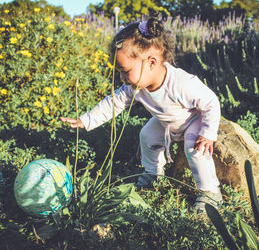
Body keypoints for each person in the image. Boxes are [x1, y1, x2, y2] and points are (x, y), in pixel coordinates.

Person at [60, 16, 222, 213]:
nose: (122, 78)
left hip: (192, 120)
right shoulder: (135, 87)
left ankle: (210, 192)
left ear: (152, 62)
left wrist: (207, 133)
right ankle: (153, 174)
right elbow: (114, 102)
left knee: (195, 149)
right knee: (146, 135)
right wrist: (86, 120)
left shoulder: (181, 83)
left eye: (125, 71)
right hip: (166, 123)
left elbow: (211, 102)